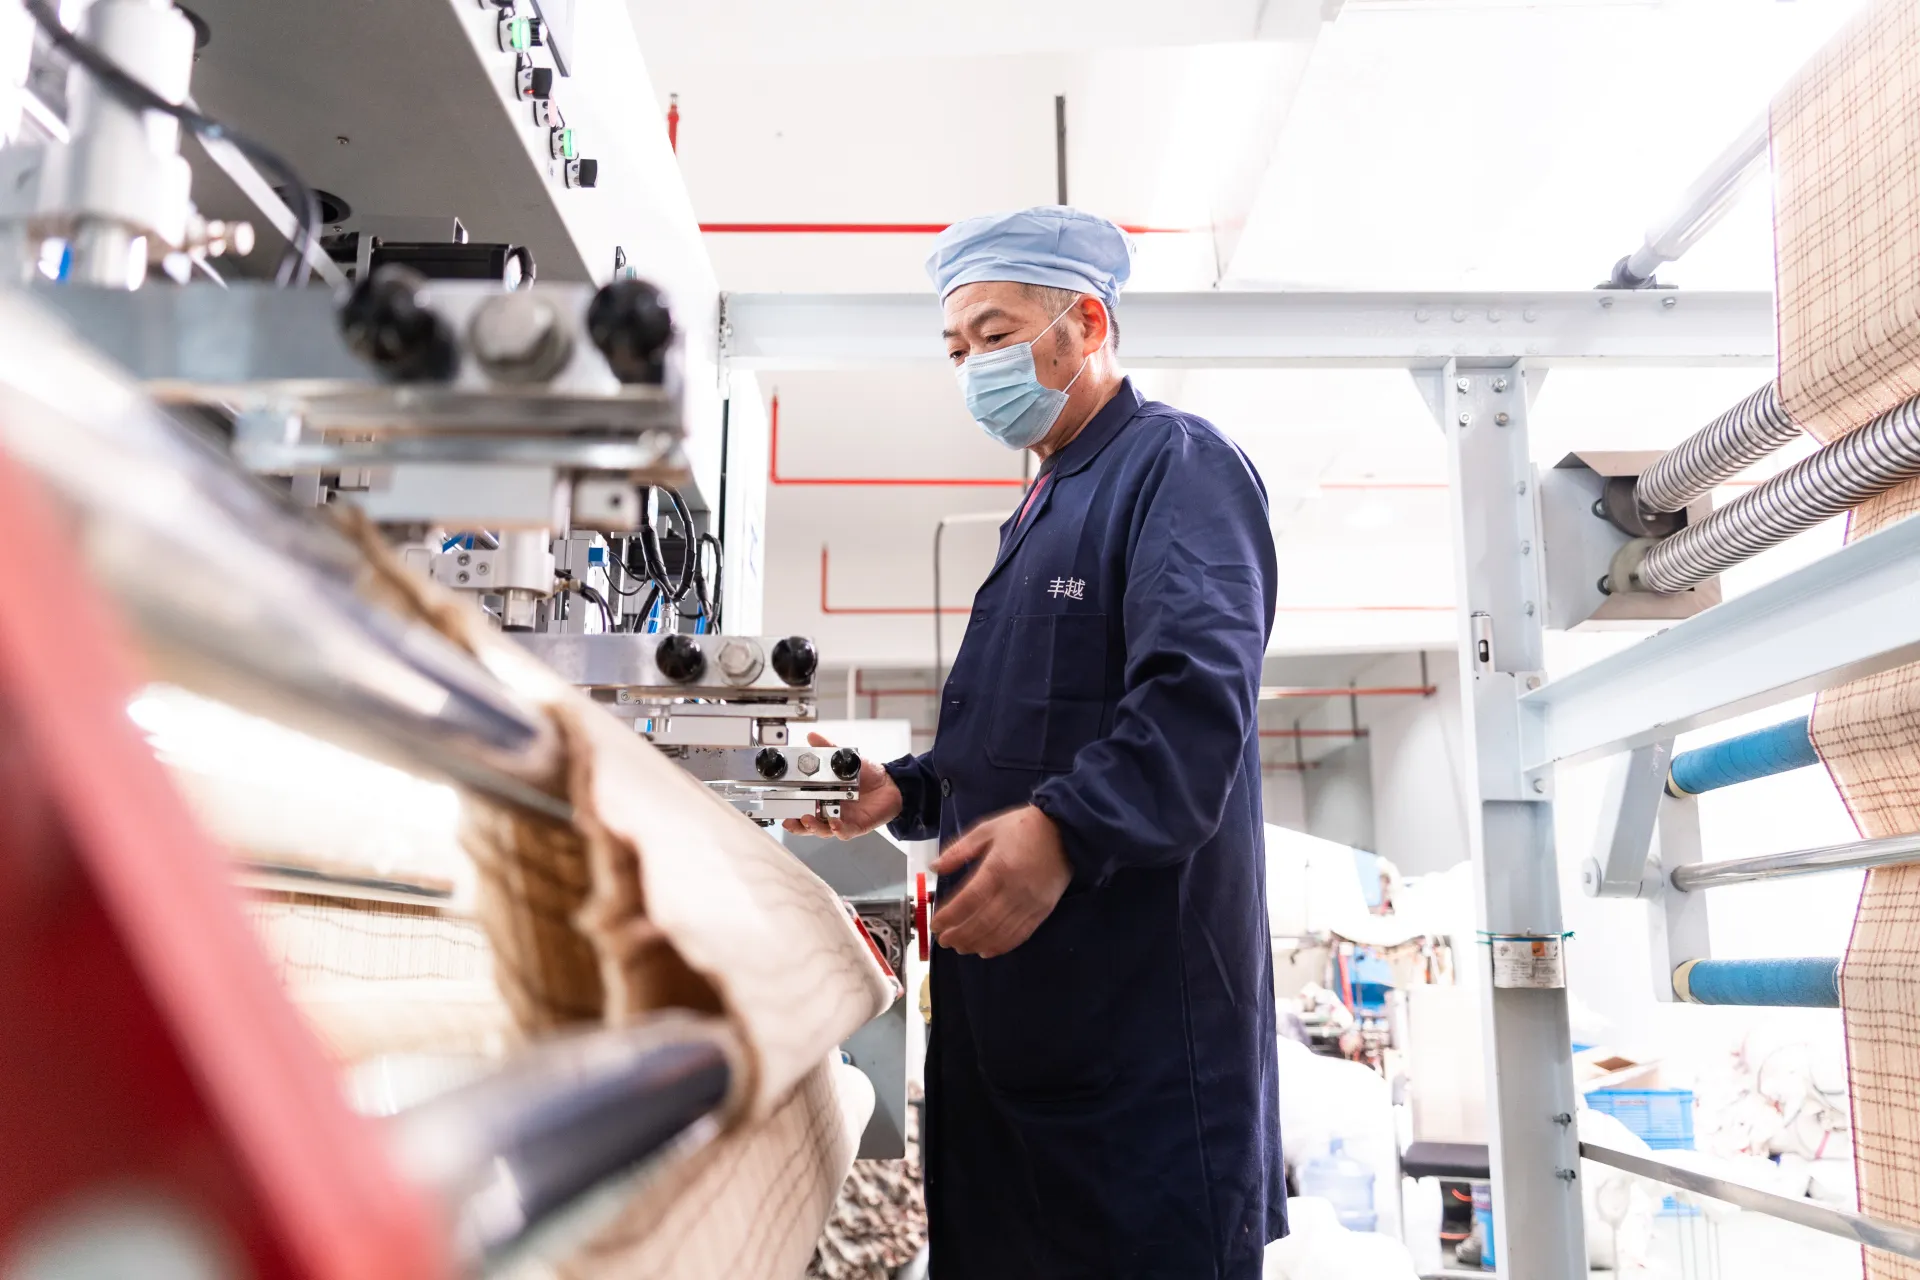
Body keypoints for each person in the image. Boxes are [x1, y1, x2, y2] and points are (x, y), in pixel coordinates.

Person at [786, 206, 1284, 1279]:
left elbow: (1193, 704)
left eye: (996, 332)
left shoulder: (1175, 468)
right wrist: (902, 791)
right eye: (958, 347)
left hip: (1137, 1065)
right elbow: (1023, 741)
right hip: (1013, 1051)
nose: (973, 367)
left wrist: (1064, 832)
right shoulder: (1040, 510)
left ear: (1085, 323)